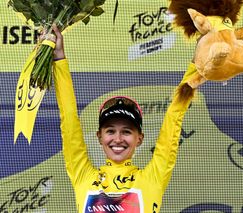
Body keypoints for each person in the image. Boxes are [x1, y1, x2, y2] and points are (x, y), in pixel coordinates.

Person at [51, 25, 197, 212]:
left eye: (126, 131)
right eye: (110, 131)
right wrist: (58, 57)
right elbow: (69, 119)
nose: (118, 139)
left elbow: (174, 115)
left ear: (139, 138)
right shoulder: (83, 175)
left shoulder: (153, 177)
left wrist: (199, 63)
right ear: (99, 137)